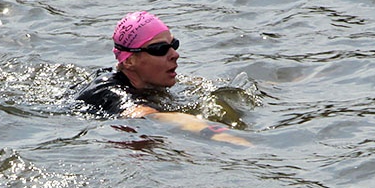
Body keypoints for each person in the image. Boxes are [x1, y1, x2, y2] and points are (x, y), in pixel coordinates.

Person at [76, 11, 251, 146]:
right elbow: (144, 115)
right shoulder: (110, 91)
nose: (175, 54)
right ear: (129, 61)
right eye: (159, 49)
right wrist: (214, 132)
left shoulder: (146, 82)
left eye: (173, 45)